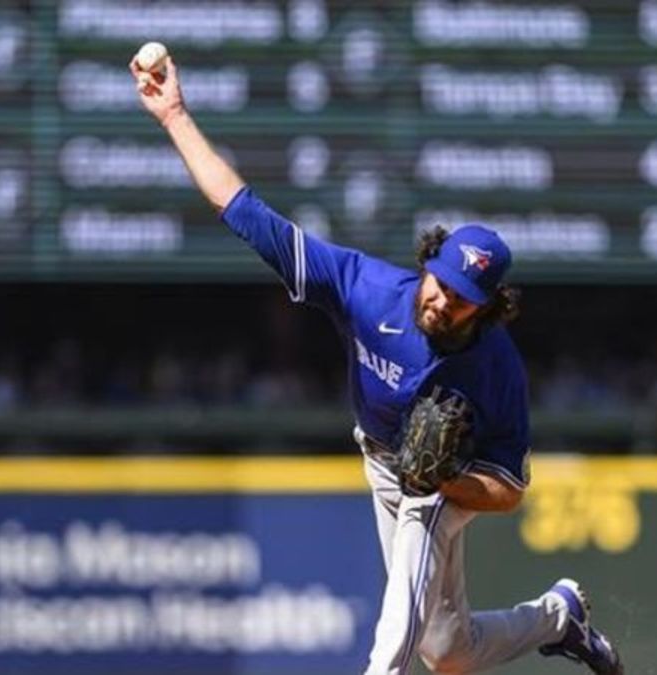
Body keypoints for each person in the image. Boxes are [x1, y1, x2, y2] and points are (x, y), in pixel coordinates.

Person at [131, 55, 623, 674]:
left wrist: (442, 479)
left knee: (402, 611)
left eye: (460, 298)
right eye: (438, 281)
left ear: (488, 308)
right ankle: (559, 616)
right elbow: (246, 213)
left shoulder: (496, 368)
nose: (441, 299)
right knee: (448, 654)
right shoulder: (367, 290)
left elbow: (508, 490)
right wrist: (174, 116)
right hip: (379, 459)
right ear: (428, 262)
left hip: (444, 484)